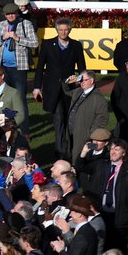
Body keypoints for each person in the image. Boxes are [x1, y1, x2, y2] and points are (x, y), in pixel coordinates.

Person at [34, 18, 87, 160]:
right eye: (61, 29)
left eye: (66, 29)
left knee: (71, 120)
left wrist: (80, 79)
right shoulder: (47, 44)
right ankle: (61, 153)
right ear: (56, 30)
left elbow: (82, 68)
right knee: (58, 119)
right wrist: (37, 87)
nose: (63, 32)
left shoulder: (76, 45)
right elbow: (40, 68)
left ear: (70, 30)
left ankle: (72, 150)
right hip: (52, 89)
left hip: (70, 89)